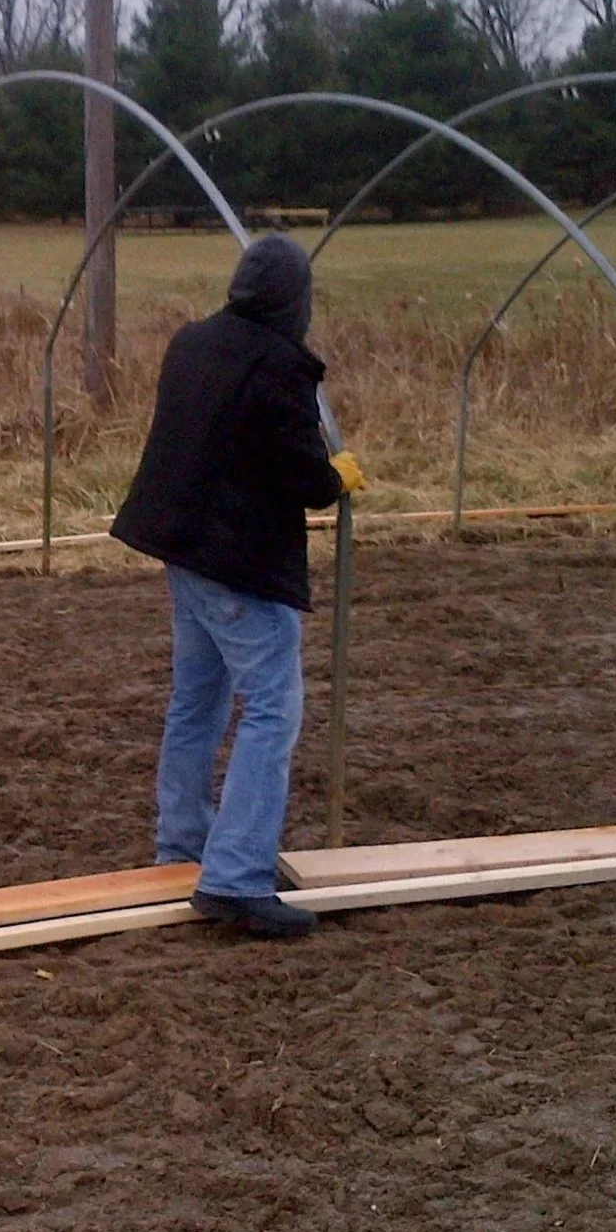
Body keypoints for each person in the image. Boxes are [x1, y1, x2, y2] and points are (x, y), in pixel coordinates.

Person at [110, 234, 367, 938]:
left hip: (181, 546)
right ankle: (234, 877)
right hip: (236, 560)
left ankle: (185, 846)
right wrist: (335, 474)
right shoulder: (280, 366)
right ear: (296, 299)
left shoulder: (193, 342)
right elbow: (302, 476)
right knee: (272, 707)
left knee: (198, 698)